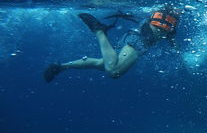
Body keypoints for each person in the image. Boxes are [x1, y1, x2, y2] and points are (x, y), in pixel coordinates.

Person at [44, 7, 180, 83]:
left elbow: (167, 34)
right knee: (114, 71)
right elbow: (151, 25)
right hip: (136, 42)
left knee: (103, 64)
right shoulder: (168, 12)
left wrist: (176, 50)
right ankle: (99, 31)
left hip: (133, 39)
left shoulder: (171, 22)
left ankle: (60, 67)